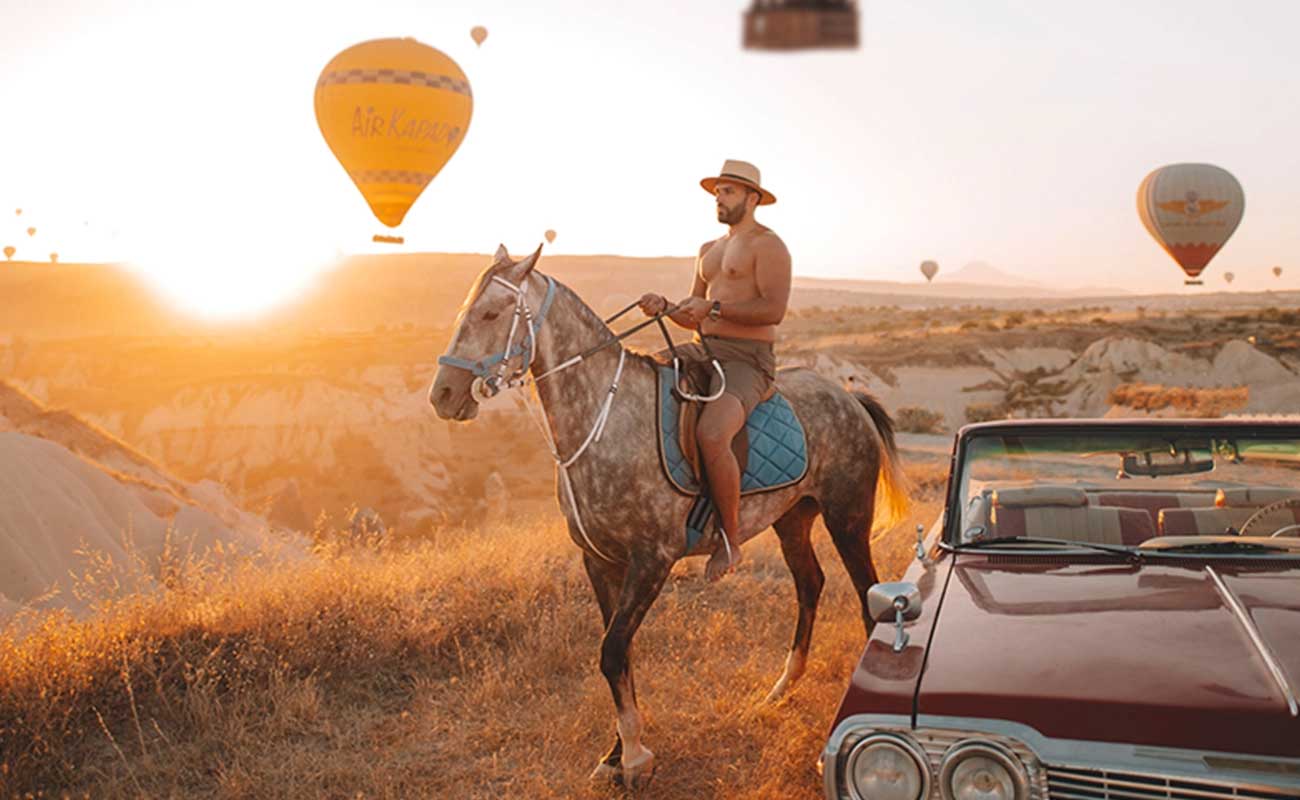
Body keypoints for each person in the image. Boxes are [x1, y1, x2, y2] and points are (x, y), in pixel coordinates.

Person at [639, 159, 792, 581]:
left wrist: (716, 308)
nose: (719, 199)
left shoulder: (769, 245)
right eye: (717, 192)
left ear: (752, 198)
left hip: (747, 359)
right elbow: (694, 312)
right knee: (644, 383)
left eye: (728, 191)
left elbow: (773, 310)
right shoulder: (707, 250)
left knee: (711, 432)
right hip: (701, 349)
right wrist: (666, 308)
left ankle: (729, 539)